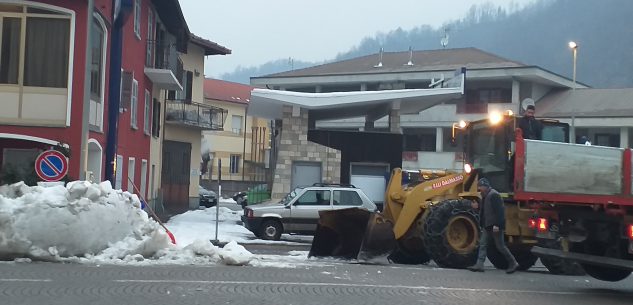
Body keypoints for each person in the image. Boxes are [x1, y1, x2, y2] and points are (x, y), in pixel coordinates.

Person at [467, 178, 519, 274]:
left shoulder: (494, 195)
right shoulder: (485, 196)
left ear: (485, 187)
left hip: (495, 226)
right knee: (482, 244)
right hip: (488, 225)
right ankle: (479, 264)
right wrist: (477, 208)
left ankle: (513, 262)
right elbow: (485, 211)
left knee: (500, 246)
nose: (479, 189)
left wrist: (497, 225)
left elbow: (500, 212)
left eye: (480, 187)